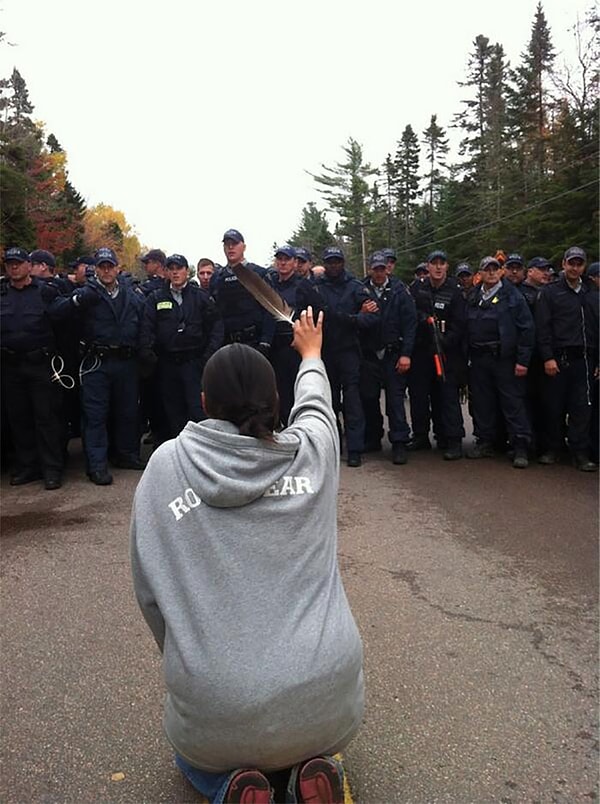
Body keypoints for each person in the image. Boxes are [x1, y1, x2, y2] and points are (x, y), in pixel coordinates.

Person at [130, 307, 363, 804]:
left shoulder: (165, 466)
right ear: (276, 400)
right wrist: (312, 353)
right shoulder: (313, 454)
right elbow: (318, 407)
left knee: (189, 753)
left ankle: (230, 786)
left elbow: (150, 594)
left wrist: (191, 660)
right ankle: (310, 767)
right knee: (311, 732)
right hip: (327, 695)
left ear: (203, 402)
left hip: (217, 703)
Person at [66, 247, 146, 484]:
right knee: (95, 416)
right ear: (96, 270)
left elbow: (144, 323)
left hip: (126, 362)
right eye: (102, 266)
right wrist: (78, 300)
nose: (107, 270)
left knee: (127, 412)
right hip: (97, 363)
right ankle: (97, 465)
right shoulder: (87, 294)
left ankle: (126, 454)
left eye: (110, 266)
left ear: (118, 267)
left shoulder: (132, 295)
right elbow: (59, 313)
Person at [297, 246, 379, 467]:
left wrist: (353, 320)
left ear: (343, 263)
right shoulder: (315, 288)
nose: (333, 266)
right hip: (325, 351)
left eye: (337, 262)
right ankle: (333, 444)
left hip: (349, 351)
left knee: (353, 401)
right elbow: (304, 314)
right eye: (329, 262)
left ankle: (355, 448)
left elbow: (372, 318)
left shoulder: (355, 288)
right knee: (329, 401)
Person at [0, 247, 65, 489]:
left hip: (40, 364)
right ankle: (28, 466)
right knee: (19, 418)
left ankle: (51, 469)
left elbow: (62, 322)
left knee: (45, 418)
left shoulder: (45, 291)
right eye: (9, 264)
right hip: (11, 365)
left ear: (29, 265)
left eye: (17, 263)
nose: (13, 267)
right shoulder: (2, 293)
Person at [140, 253, 223, 441]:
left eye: (179, 269)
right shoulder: (156, 298)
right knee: (172, 411)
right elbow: (147, 327)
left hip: (194, 363)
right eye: (172, 269)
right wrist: (148, 352)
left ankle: (203, 450)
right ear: (167, 272)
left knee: (197, 409)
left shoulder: (200, 297)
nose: (176, 273)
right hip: (167, 364)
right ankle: (178, 453)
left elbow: (216, 326)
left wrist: (209, 355)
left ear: (187, 271)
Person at [465, 256, 534, 468]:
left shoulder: (512, 296)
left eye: (495, 269)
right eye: (487, 269)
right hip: (479, 358)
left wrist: (523, 360)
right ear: (481, 273)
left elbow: (527, 329)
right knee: (482, 402)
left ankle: (520, 445)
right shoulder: (473, 295)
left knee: (512, 402)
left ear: (500, 272)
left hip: (505, 358)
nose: (492, 273)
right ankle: (486, 441)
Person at [535, 246, 598, 471]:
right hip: (558, 359)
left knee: (582, 407)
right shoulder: (551, 292)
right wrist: (547, 357)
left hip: (584, 358)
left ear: (583, 266)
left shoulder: (591, 293)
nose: (574, 267)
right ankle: (553, 448)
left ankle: (580, 452)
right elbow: (542, 328)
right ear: (563, 264)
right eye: (571, 263)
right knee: (554, 406)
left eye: (579, 263)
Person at [408, 250, 466, 459]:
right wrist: (423, 319)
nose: (438, 267)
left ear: (447, 267)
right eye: (434, 264)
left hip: (446, 353)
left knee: (447, 397)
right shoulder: (418, 289)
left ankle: (452, 440)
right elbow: (410, 314)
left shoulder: (455, 292)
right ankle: (421, 435)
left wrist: (445, 340)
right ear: (428, 267)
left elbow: (461, 324)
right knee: (419, 396)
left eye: (442, 263)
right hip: (422, 352)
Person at [359, 252, 416, 463]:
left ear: (387, 269)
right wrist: (361, 310)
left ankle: (399, 442)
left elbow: (410, 325)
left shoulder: (400, 291)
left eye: (382, 268)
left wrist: (406, 355)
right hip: (369, 354)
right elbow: (352, 319)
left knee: (395, 400)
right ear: (370, 269)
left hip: (394, 353)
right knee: (368, 397)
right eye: (376, 269)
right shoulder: (360, 290)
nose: (379, 272)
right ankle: (373, 438)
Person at [210, 229, 275, 352]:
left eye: (234, 244)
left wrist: (266, 342)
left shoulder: (259, 273)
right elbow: (214, 315)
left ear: (243, 247)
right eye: (227, 244)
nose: (230, 247)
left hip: (254, 343)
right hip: (226, 345)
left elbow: (270, 311)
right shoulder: (217, 278)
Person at [267, 245, 304, 426]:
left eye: (286, 259)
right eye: (279, 259)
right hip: (275, 347)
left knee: (298, 393)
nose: (282, 262)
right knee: (280, 395)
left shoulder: (303, 286)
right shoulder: (270, 284)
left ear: (294, 262)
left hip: (296, 346)